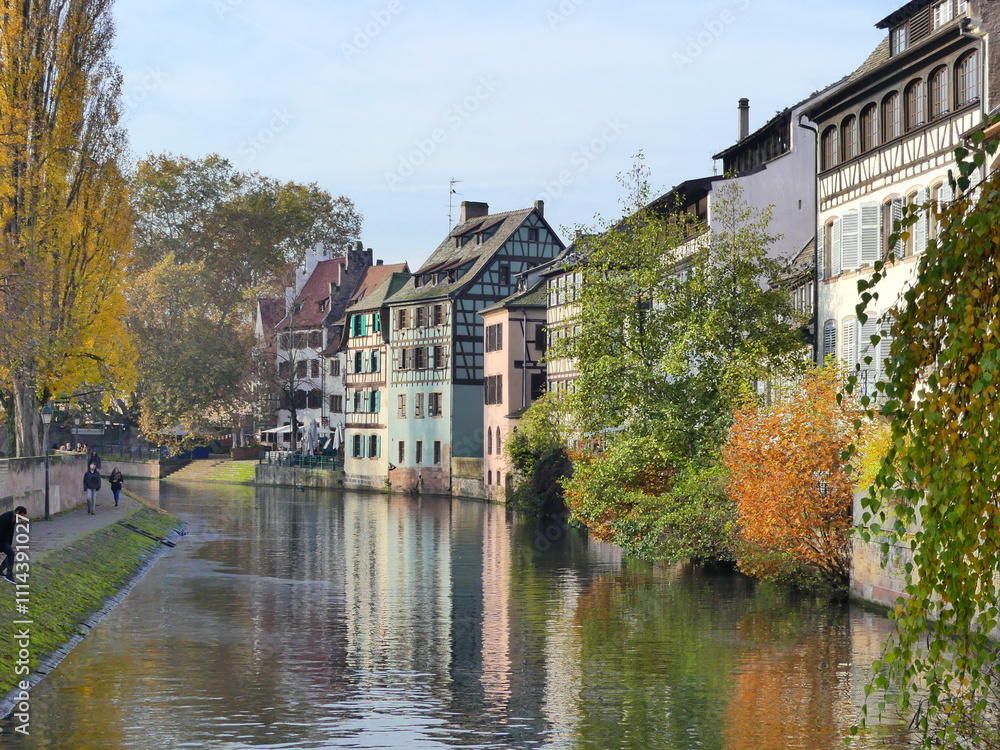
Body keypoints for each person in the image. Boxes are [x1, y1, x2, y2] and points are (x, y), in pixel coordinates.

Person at [0, 506, 27, 584]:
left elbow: (10, 532)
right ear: (17, 512)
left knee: (10, 554)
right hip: (1, 541)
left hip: (4, 541)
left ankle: (1, 570)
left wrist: (9, 544)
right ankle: (9, 575)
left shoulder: (13, 518)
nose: (21, 518)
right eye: (21, 516)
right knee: (11, 554)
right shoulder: (6, 517)